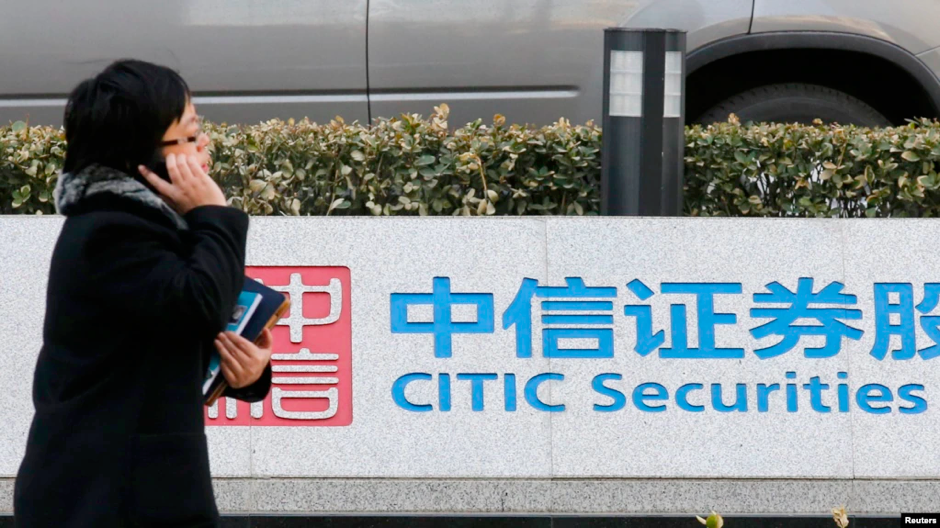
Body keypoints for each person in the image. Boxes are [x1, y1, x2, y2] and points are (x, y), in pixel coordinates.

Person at [13, 59, 273, 527]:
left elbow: (174, 333)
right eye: (189, 135)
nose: (204, 145)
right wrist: (214, 214)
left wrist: (245, 373)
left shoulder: (148, 224)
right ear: (144, 152)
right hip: (100, 497)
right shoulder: (110, 231)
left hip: (135, 488)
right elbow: (199, 304)